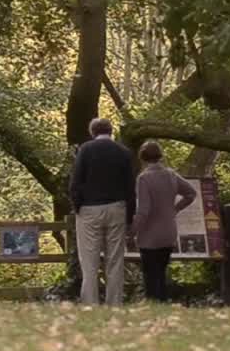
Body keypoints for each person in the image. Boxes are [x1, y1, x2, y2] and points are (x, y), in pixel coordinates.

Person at [69, 117, 135, 305]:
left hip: (89, 209)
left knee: (89, 261)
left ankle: (91, 303)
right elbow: (130, 187)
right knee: (115, 260)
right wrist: (129, 217)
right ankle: (114, 304)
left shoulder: (85, 150)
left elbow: (76, 182)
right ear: (111, 131)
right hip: (116, 208)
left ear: (93, 132)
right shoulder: (123, 152)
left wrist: (78, 207)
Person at [132, 140, 198, 302]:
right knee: (160, 272)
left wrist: (131, 231)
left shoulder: (144, 179)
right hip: (168, 232)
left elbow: (143, 211)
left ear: (142, 158)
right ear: (160, 156)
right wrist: (175, 209)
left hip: (149, 235)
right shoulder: (171, 174)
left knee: (150, 276)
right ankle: (162, 305)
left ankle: (154, 307)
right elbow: (191, 193)